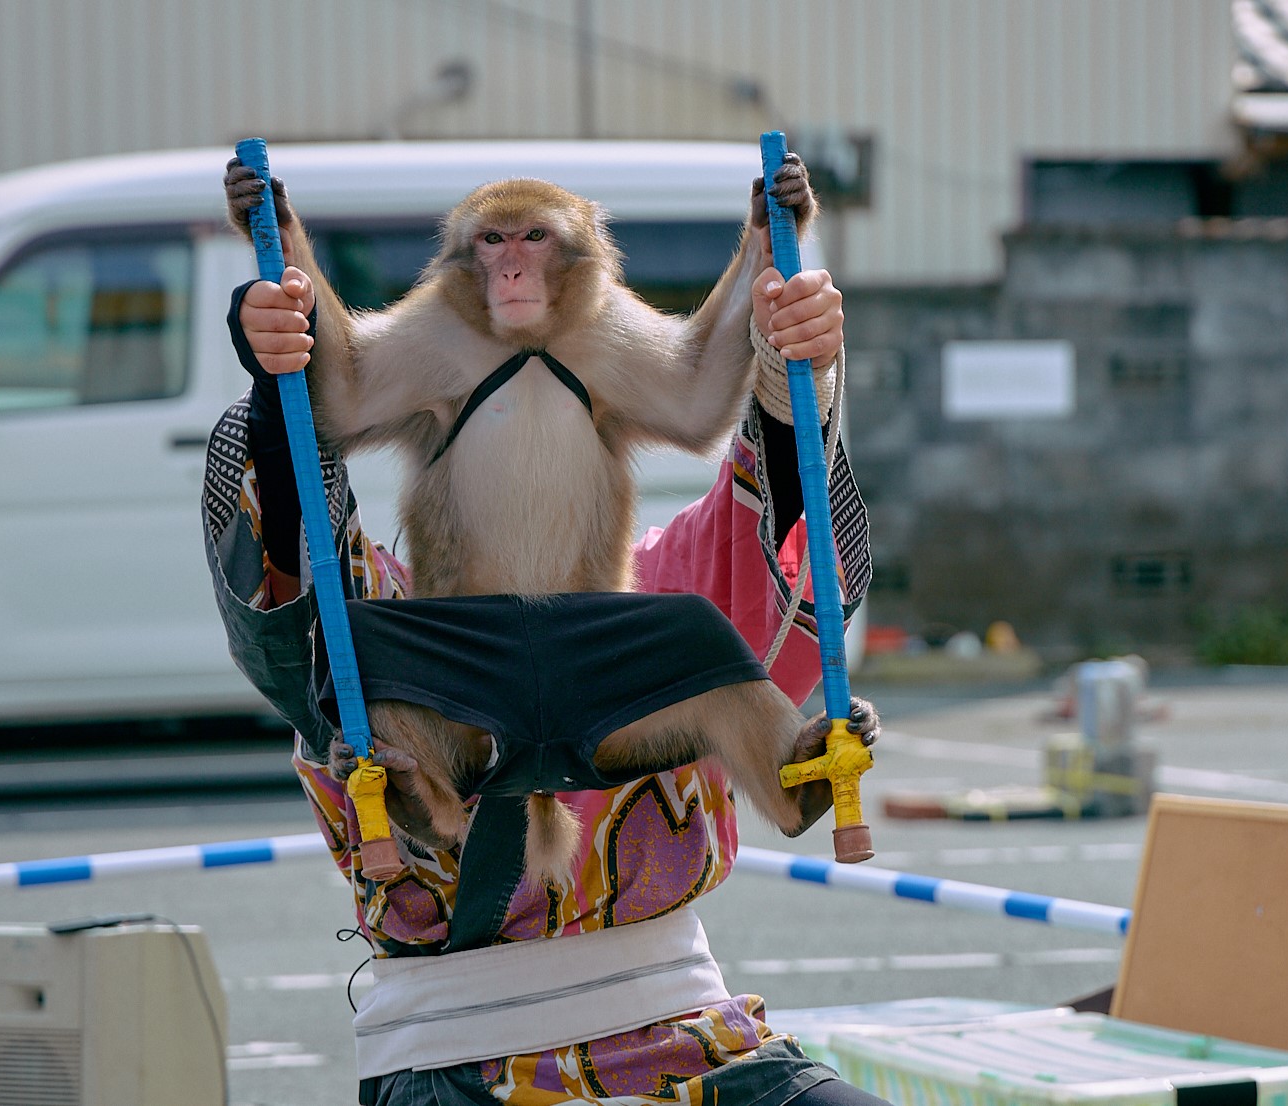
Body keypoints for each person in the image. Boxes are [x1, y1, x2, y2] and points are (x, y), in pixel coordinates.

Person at [202, 166, 887, 1106]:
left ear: (579, 257)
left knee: (694, 630)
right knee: (360, 650)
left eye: (532, 242)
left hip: (691, 1027)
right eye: (491, 243)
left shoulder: (677, 561)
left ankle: (791, 776)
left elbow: (722, 419)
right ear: (458, 259)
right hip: (457, 1044)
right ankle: (425, 796)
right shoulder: (354, 604)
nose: (512, 267)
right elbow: (332, 409)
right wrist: (282, 288)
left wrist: (785, 317)